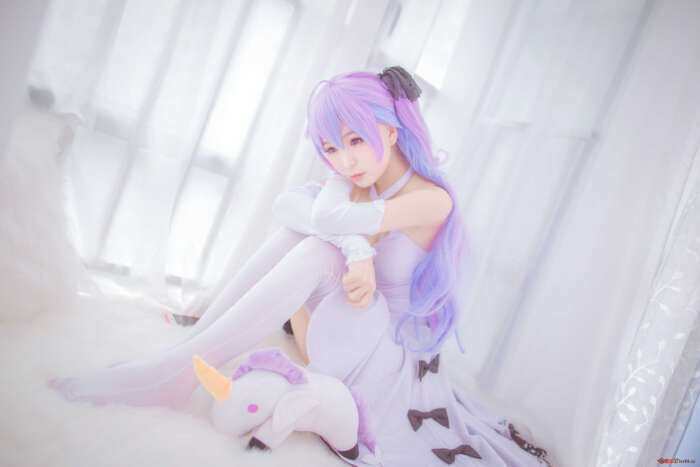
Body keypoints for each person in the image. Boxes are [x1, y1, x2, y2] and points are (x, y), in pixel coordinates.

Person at [48, 66, 554, 466]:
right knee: (301, 235)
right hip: (341, 327)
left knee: (316, 246)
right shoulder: (357, 177)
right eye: (330, 148)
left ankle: (174, 374)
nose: (345, 161)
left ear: (389, 129)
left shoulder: (431, 200)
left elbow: (327, 216)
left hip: (385, 359)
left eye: (355, 140)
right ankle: (181, 358)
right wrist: (358, 252)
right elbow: (289, 207)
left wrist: (346, 242)